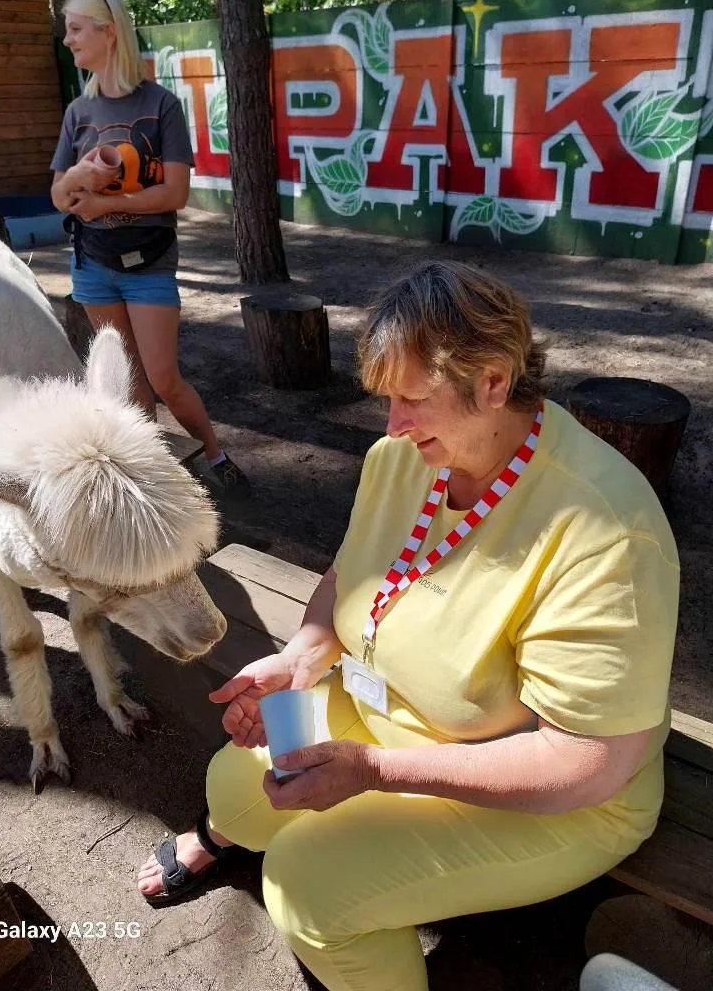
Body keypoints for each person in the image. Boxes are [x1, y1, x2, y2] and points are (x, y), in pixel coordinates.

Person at [137, 261, 679, 991]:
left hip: (557, 795)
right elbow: (347, 576)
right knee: (237, 786)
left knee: (309, 886)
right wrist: (303, 653)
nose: (391, 426)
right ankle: (219, 836)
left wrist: (377, 773)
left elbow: (586, 764)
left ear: (493, 381)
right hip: (392, 707)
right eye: (387, 398)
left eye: (413, 399)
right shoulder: (404, 458)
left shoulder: (603, 529)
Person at [50, 0, 249, 496]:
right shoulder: (78, 112)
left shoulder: (160, 105)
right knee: (130, 380)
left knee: (163, 379)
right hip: (93, 266)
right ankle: (152, 476)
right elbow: (57, 196)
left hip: (149, 266)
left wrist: (105, 202)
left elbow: (175, 192)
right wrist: (77, 178)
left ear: (108, 32)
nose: (68, 39)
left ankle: (214, 451)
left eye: (76, 29)